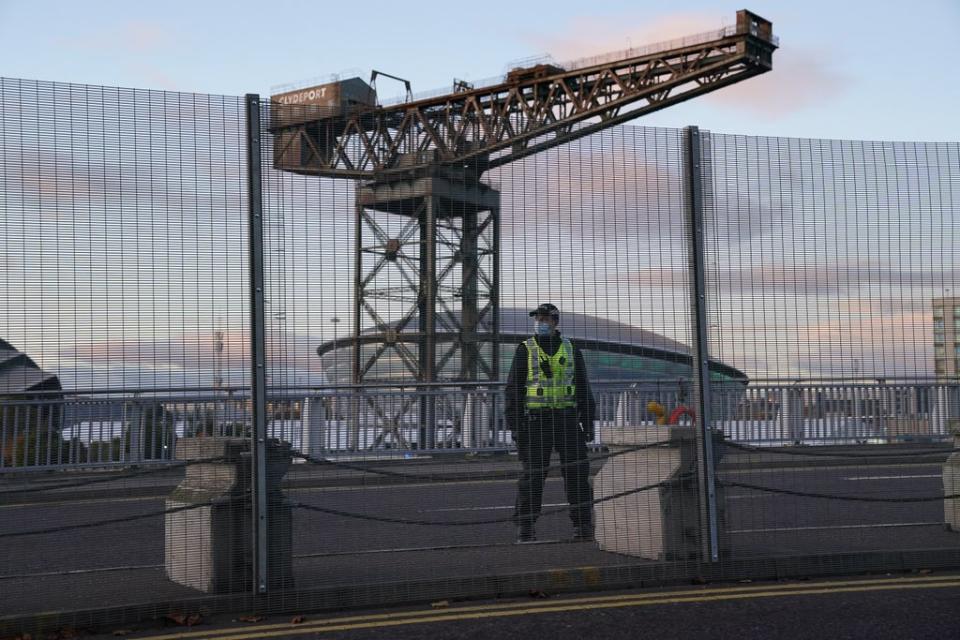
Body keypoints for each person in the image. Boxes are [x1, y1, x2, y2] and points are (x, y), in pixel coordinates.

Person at [505, 303, 597, 543]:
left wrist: (588, 423)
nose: (540, 323)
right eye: (538, 319)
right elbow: (513, 389)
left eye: (545, 319)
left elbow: (583, 386)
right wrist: (515, 426)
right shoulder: (525, 349)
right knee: (533, 476)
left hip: (566, 420)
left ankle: (583, 525)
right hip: (536, 422)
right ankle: (525, 527)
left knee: (577, 473)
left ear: (555, 321)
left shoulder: (570, 348)